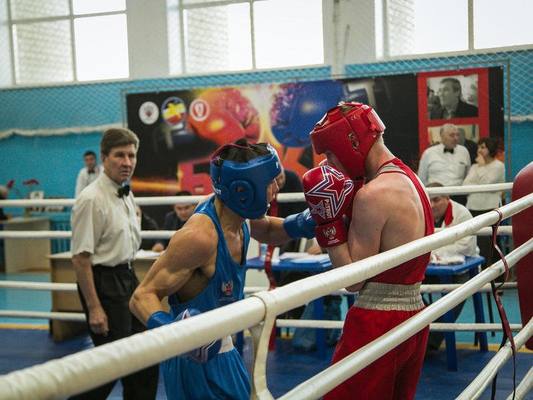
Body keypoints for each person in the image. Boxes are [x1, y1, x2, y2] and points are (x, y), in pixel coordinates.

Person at [129, 139, 315, 400]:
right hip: (193, 361)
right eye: (269, 183)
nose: (275, 189)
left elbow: (272, 229)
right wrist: (177, 335)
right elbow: (142, 296)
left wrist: (311, 220)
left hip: (224, 348)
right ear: (243, 190)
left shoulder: (238, 215)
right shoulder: (200, 237)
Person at [302, 102, 434, 400]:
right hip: (414, 313)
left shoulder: (372, 195)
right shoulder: (411, 179)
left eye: (330, 154)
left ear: (351, 142)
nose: (329, 164)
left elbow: (354, 279)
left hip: (377, 318)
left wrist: (329, 223)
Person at [70, 128, 159, 399]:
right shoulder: (91, 199)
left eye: (131, 155)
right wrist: (95, 308)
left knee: (145, 357)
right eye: (119, 155)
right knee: (110, 365)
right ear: (104, 157)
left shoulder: (126, 193)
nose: (127, 162)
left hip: (128, 278)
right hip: (103, 284)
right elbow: (81, 259)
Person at [424, 182, 478, 351]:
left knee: (458, 291)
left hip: (462, 267)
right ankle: (426, 328)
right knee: (408, 287)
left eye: (437, 199)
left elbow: (465, 246)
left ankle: (432, 338)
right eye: (429, 200)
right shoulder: (421, 212)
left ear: (447, 198)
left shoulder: (462, 213)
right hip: (431, 267)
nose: (432, 205)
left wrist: (434, 252)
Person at [463, 137, 505, 267]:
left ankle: (497, 277)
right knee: (477, 241)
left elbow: (486, 182)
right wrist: (479, 167)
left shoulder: (498, 165)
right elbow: (465, 186)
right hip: (473, 206)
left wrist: (481, 167)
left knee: (493, 243)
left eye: (483, 147)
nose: (479, 150)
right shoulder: (475, 166)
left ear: (490, 149)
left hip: (491, 207)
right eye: (479, 147)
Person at [418, 123, 471, 205]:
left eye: (457, 135)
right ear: (442, 136)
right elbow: (422, 178)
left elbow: (468, 175)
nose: (456, 138)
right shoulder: (429, 153)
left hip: (459, 196)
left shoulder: (464, 151)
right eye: (452, 135)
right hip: (436, 197)